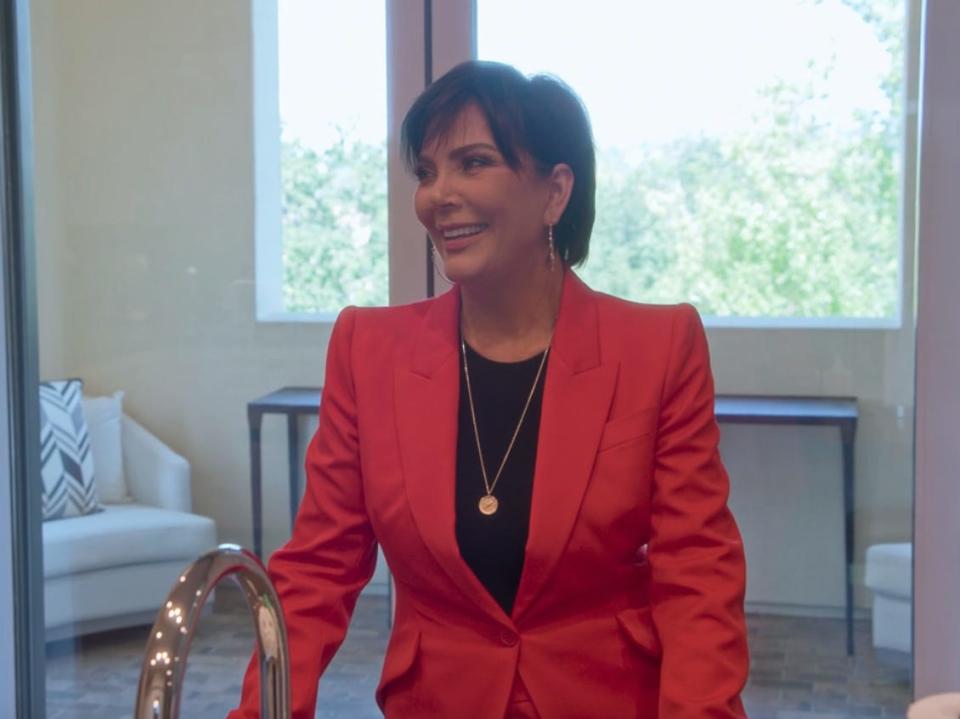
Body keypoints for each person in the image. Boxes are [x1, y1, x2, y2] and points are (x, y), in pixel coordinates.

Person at [229, 60, 748, 719]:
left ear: (555, 192)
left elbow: (698, 578)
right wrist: (262, 711)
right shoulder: (369, 348)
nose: (438, 193)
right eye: (426, 171)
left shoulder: (656, 347)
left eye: (472, 163)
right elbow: (316, 571)